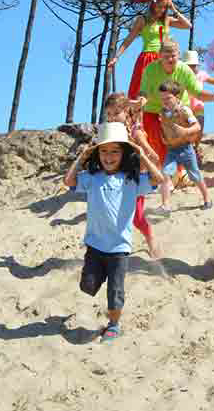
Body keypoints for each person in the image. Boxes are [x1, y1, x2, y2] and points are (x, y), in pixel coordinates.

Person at [63, 121, 165, 342]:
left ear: (124, 153)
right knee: (88, 287)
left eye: (115, 152)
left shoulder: (133, 179)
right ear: (97, 153)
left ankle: (113, 324)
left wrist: (141, 153)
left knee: (115, 291)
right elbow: (68, 181)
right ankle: (99, 294)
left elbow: (159, 179)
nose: (109, 157)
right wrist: (81, 157)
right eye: (104, 151)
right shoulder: (91, 178)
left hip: (119, 248)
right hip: (95, 245)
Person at [138, 40, 214, 172]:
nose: (170, 59)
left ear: (178, 55)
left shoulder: (185, 69)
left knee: (180, 141)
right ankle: (163, 174)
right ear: (159, 55)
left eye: (173, 56)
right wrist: (140, 101)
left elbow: (197, 92)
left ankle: (179, 173)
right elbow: (144, 92)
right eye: (166, 56)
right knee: (156, 142)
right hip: (153, 109)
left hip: (178, 111)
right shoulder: (150, 69)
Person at [103, 92, 163, 257]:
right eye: (109, 114)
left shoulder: (135, 131)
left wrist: (148, 163)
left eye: (116, 113)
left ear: (126, 111)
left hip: (136, 179)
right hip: (117, 179)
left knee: (137, 217)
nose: (112, 117)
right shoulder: (111, 132)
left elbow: (151, 153)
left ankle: (150, 238)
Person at [107, 0, 191, 98]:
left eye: (165, 7)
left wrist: (173, 9)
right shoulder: (142, 20)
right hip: (147, 58)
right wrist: (117, 57)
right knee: (142, 91)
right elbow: (128, 40)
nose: (162, 10)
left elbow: (188, 25)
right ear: (153, 5)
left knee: (165, 91)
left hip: (164, 58)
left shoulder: (167, 20)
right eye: (159, 6)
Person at [157, 81, 211, 211]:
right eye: (162, 98)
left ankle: (207, 199)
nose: (165, 101)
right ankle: (165, 205)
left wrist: (185, 131)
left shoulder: (185, 110)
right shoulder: (163, 112)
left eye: (168, 98)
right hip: (171, 149)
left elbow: (197, 126)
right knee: (165, 174)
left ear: (177, 97)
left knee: (195, 175)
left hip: (186, 148)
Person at [184, 49, 214, 165]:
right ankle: (191, 152)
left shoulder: (201, 75)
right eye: (189, 65)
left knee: (200, 129)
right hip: (186, 107)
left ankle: (195, 149)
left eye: (193, 65)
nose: (191, 67)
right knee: (188, 131)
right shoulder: (182, 75)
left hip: (199, 106)